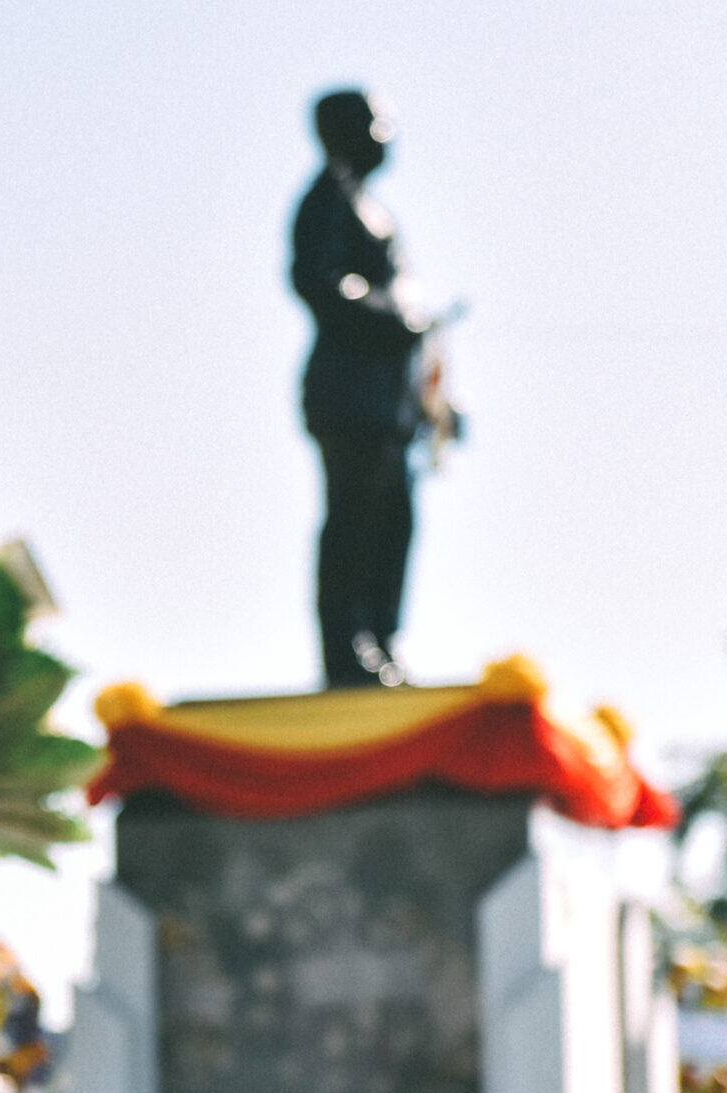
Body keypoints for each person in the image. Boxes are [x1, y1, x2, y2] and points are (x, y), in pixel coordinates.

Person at [291, 86, 434, 689]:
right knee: (355, 517)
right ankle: (347, 648)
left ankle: (381, 639)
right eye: (375, 123)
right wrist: (390, 316)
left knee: (394, 521)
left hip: (391, 400)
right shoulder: (327, 199)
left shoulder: (367, 205)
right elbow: (315, 280)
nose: (386, 135)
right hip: (349, 395)